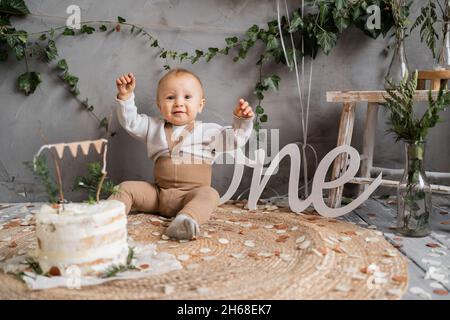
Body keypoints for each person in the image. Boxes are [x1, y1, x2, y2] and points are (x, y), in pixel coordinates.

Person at [110, 68, 254, 240]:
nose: (178, 103)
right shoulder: (152, 127)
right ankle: (106, 217)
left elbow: (235, 140)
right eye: (170, 97)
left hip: (191, 195)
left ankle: (186, 220)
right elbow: (131, 122)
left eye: (187, 97)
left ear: (200, 105)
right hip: (159, 194)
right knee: (125, 187)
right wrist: (126, 98)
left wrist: (241, 121)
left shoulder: (209, 131)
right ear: (159, 105)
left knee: (210, 194)